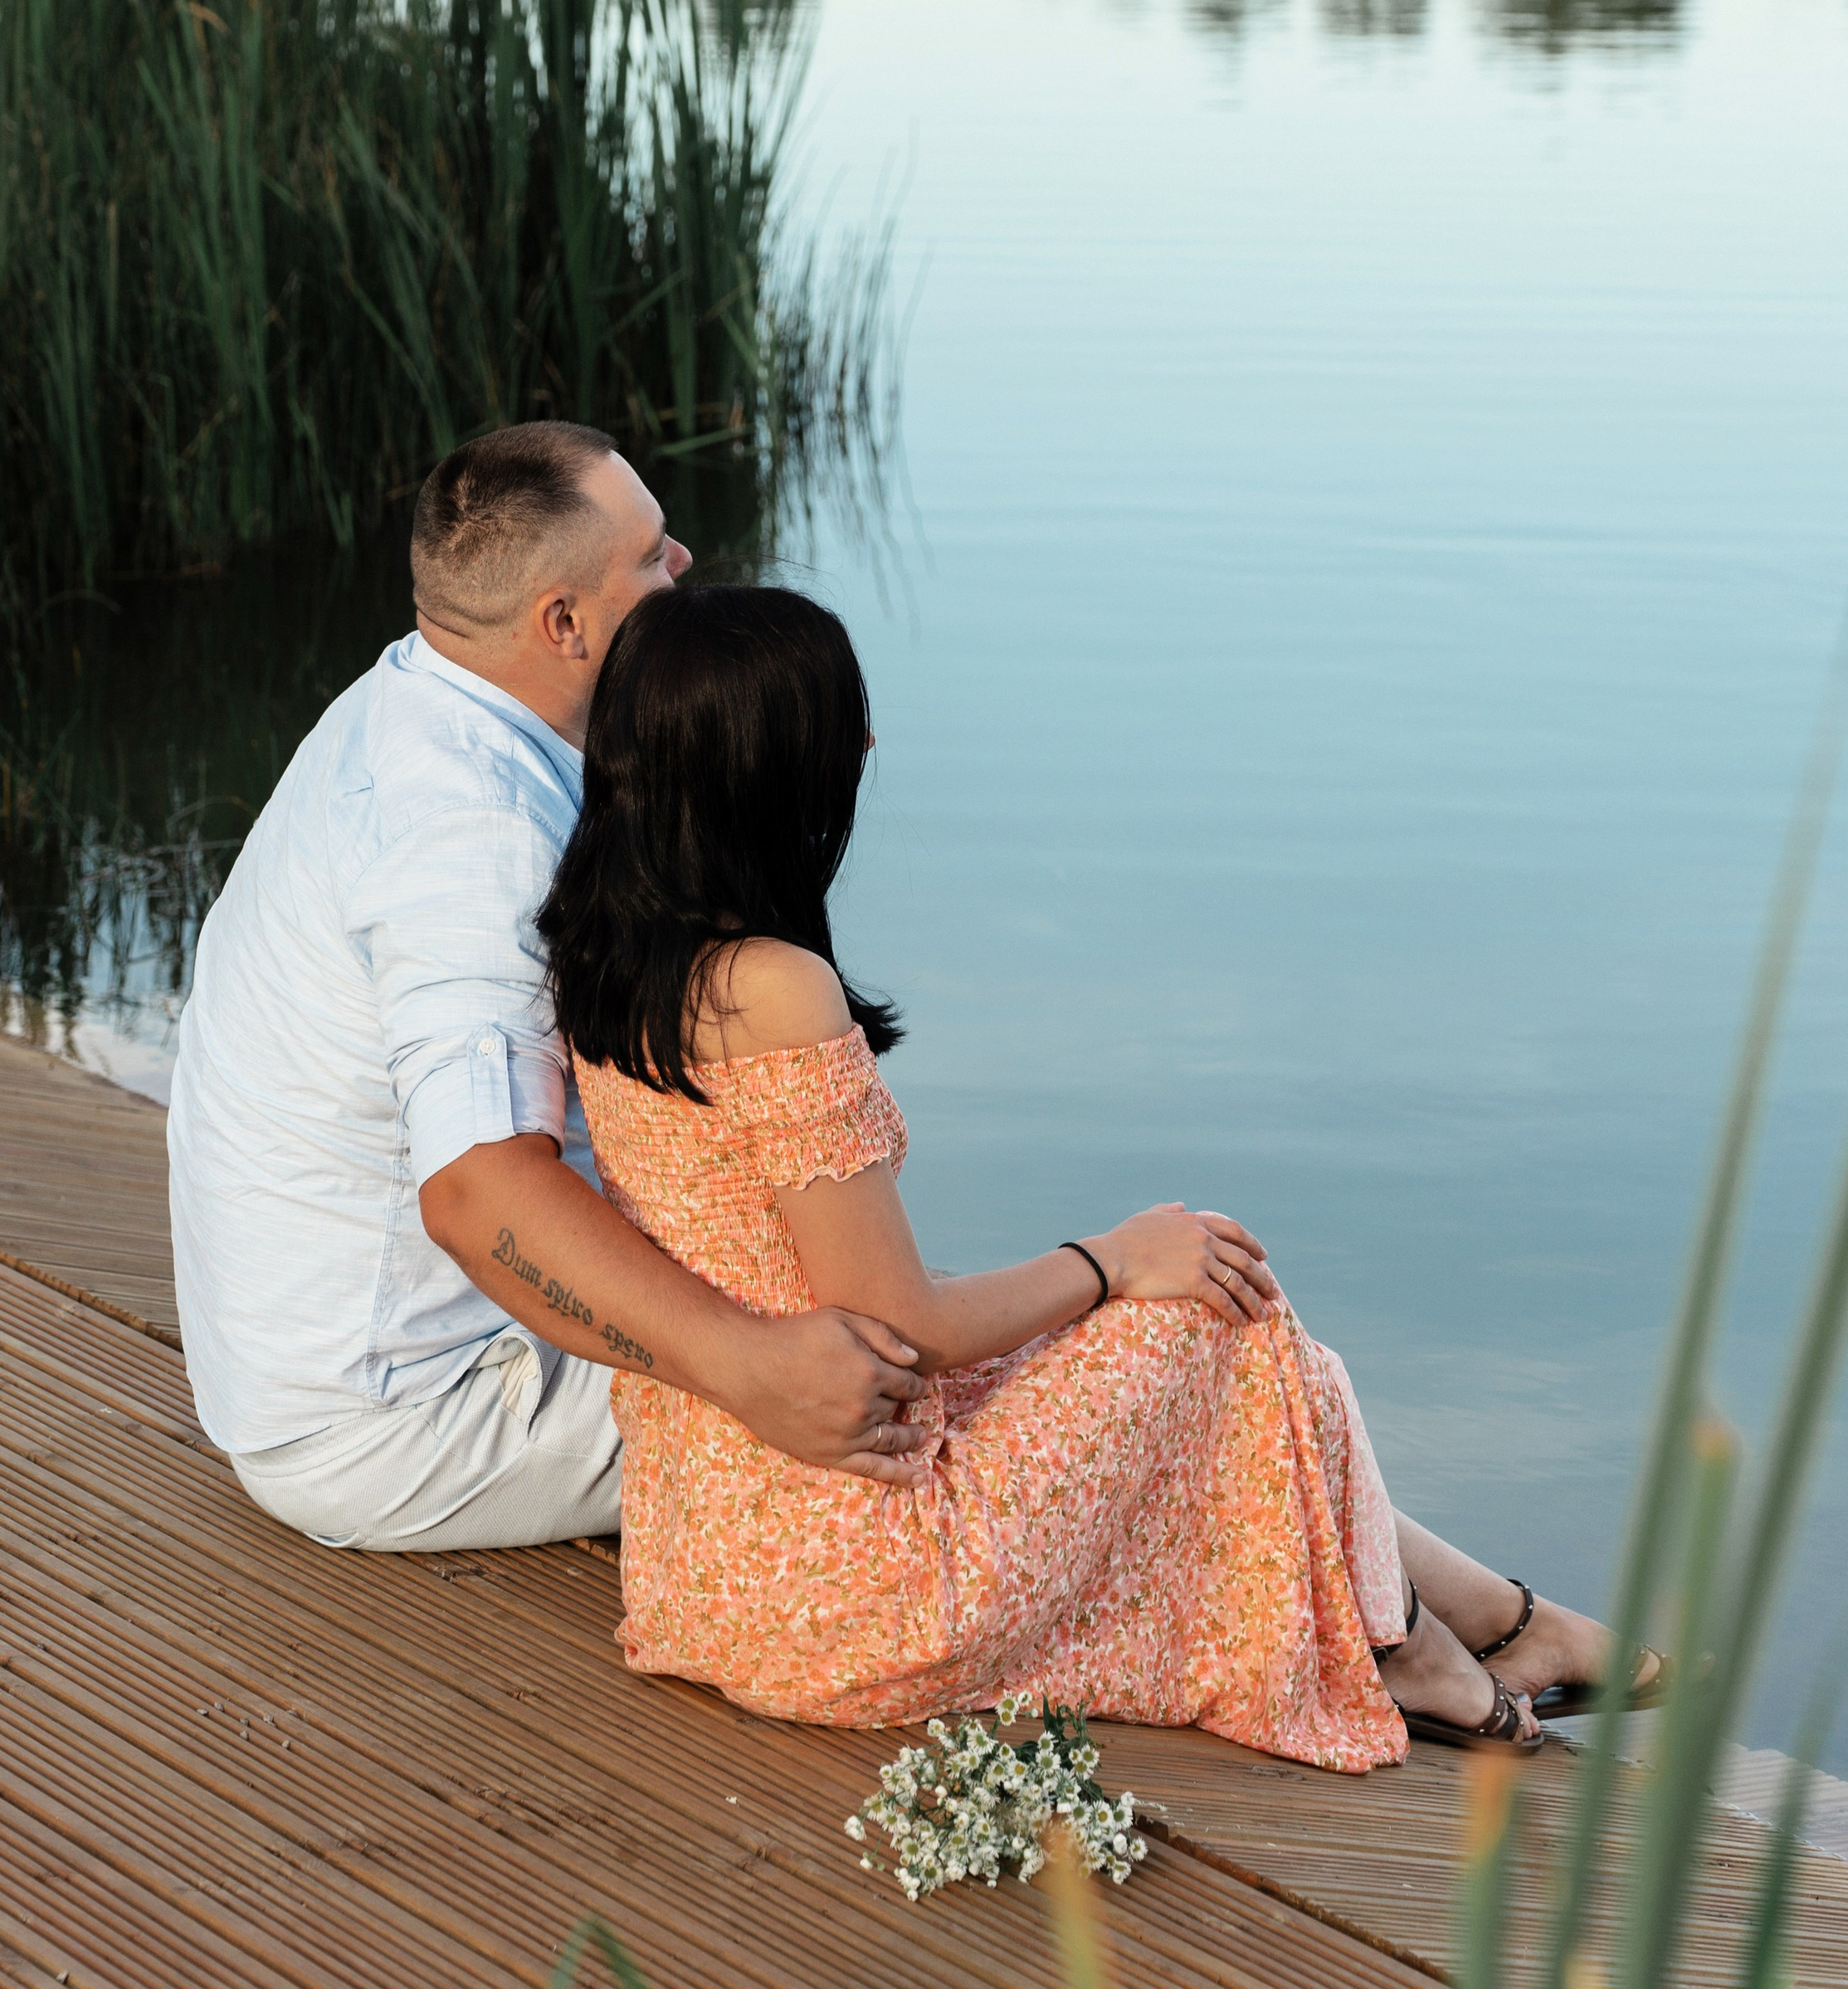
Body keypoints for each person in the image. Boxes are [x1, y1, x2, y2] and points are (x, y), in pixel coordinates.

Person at [535, 581, 1670, 1763]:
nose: (865, 747)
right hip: (852, 1586)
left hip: (710, 1568)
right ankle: (1426, 1650)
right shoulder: (769, 987)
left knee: (1227, 1338)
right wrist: (1111, 1258)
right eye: (838, 725)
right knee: (1214, 1298)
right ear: (765, 770)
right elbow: (900, 1323)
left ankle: (1489, 1622)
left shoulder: (601, 948)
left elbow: (823, 1287)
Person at [167, 423, 937, 1557]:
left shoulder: (422, 700)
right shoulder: (471, 841)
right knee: (930, 1402)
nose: (685, 566)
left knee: (918, 1324)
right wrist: (747, 1368)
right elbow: (479, 1196)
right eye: (653, 555)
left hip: (332, 1362)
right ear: (564, 623)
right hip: (413, 1414)